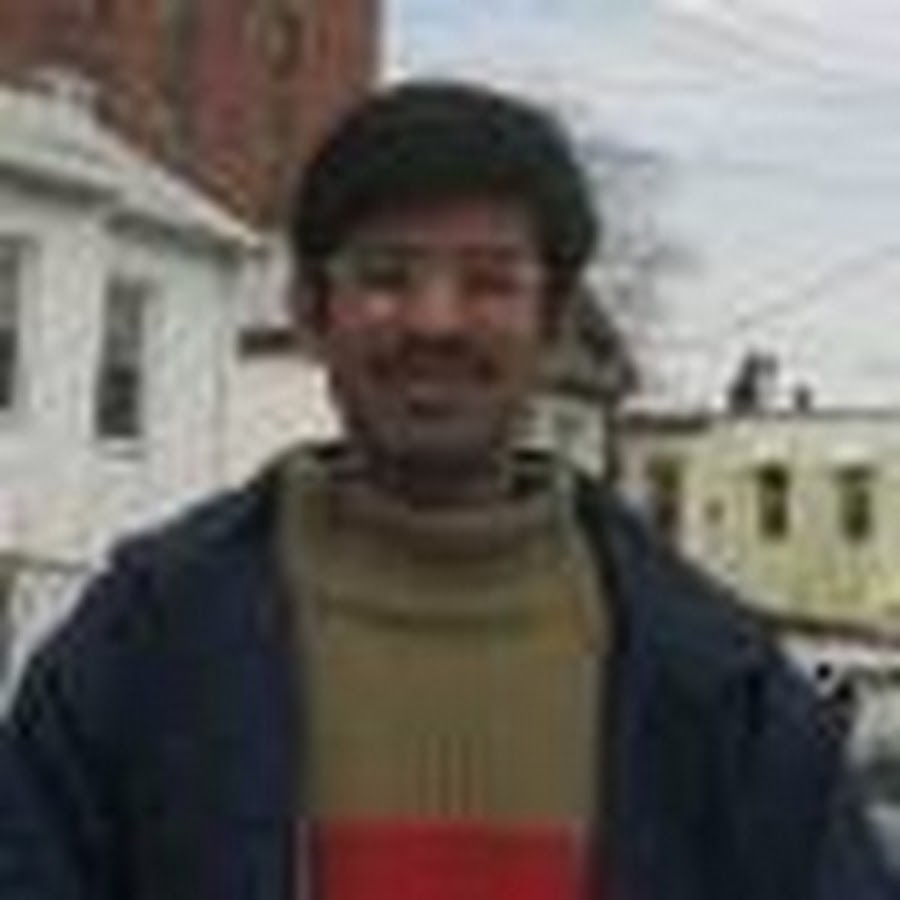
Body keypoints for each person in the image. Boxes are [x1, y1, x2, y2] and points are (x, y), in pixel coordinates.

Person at [0, 80, 895, 900]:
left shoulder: (713, 680)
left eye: (489, 281)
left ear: (555, 324)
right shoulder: (151, 640)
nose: (435, 321)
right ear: (311, 311)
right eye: (387, 277)